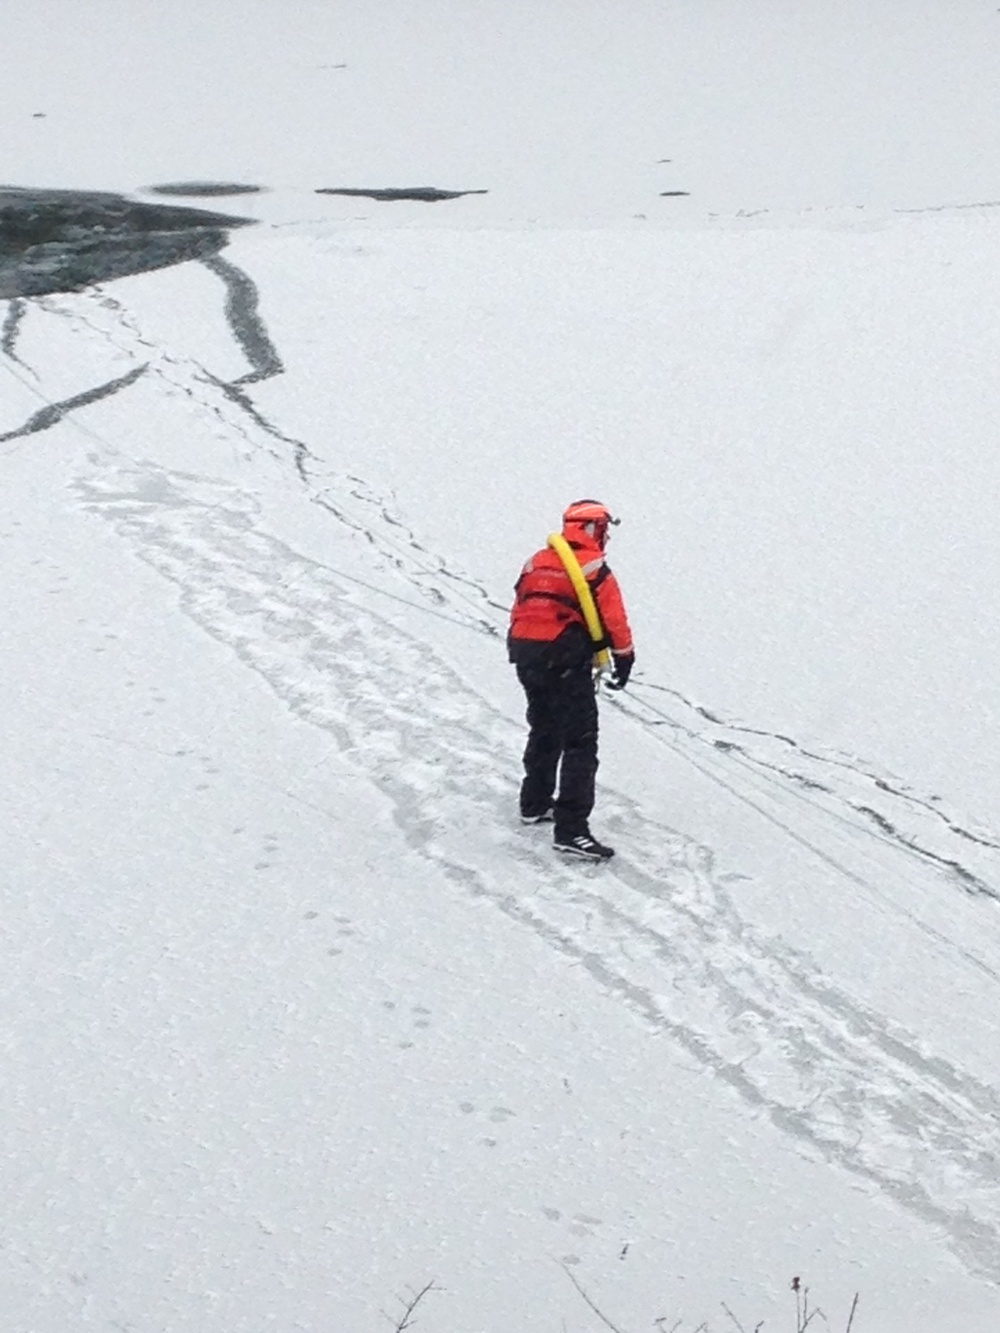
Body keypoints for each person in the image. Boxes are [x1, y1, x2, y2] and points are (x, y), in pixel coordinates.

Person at [507, 499, 635, 860]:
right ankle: (572, 829)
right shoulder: (593, 567)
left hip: (525, 654)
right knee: (580, 740)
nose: (606, 536)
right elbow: (615, 620)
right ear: (594, 529)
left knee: (545, 726)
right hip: (564, 657)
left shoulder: (536, 561)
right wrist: (624, 658)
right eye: (604, 528)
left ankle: (534, 802)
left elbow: (521, 603)